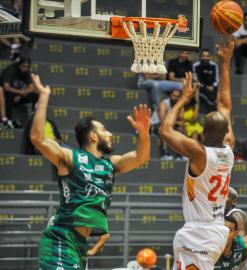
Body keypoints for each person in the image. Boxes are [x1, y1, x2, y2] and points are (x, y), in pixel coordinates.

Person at [30, 74, 150, 270]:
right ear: (93, 136)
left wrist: (144, 134)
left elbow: (141, 157)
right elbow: (37, 138)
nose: (110, 134)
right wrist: (43, 95)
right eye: (104, 130)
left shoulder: (111, 164)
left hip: (79, 243)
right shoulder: (70, 158)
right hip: (61, 237)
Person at [159, 39, 235, 270]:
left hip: (198, 233)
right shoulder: (229, 149)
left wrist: (183, 99)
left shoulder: (199, 153)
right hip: (214, 231)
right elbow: (224, 104)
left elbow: (165, 130)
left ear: (202, 132)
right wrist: (225, 63)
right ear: (226, 133)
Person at [1, 57, 38, 127]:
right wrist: (21, 92)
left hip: (18, 97)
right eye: (23, 66)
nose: (25, 69)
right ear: (19, 65)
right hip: (5, 97)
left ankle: (34, 118)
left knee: (35, 96)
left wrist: (20, 95)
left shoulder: (26, 72)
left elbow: (31, 88)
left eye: (27, 67)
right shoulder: (11, 70)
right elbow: (6, 87)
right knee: (9, 94)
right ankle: (8, 120)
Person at [159, 89, 184, 160]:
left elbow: (181, 121)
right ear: (170, 95)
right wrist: (174, 123)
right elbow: (162, 120)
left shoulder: (179, 105)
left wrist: (175, 123)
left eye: (177, 96)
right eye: (174, 96)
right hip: (155, 124)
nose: (175, 98)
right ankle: (164, 153)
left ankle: (180, 154)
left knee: (180, 129)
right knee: (164, 128)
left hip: (171, 125)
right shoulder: (164, 103)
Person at [192, 48, 219, 113]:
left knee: (216, 90)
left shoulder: (214, 65)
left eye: (207, 56)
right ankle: (213, 108)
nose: (205, 58)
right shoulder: (195, 65)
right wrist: (205, 87)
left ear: (210, 57)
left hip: (212, 87)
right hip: (201, 87)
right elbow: (196, 79)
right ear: (200, 57)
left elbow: (217, 79)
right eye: (204, 56)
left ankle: (214, 108)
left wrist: (213, 86)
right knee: (205, 92)